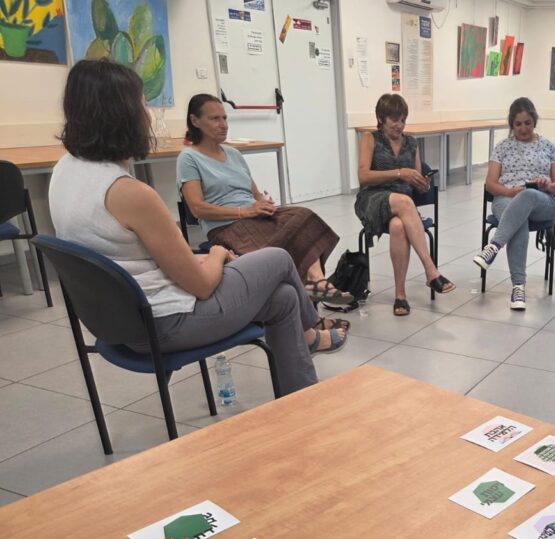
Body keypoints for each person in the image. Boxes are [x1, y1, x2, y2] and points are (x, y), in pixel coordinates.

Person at [50, 60, 347, 398]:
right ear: (123, 115)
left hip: (116, 320)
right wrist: (217, 254)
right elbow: (203, 286)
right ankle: (312, 334)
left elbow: (129, 254)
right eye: (143, 104)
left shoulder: (65, 170)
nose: (147, 113)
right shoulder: (130, 193)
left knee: (283, 298)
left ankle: (301, 399)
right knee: (277, 258)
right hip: (165, 323)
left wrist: (200, 258)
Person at [177, 94, 346, 305]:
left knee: (304, 216)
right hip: (226, 226)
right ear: (195, 121)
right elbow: (197, 208)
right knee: (283, 243)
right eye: (215, 119)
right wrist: (244, 212)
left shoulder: (234, 154)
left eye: (225, 118)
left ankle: (317, 281)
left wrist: (262, 203)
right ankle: (306, 289)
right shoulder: (189, 158)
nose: (223, 125)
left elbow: (254, 193)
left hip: (253, 216)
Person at [355, 93, 455, 316]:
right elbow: (363, 177)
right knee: (404, 201)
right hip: (373, 199)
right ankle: (431, 271)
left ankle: (400, 295)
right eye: (394, 120)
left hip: (403, 205)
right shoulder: (370, 139)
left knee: (399, 226)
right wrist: (400, 173)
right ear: (381, 118)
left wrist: (422, 184)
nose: (399, 125)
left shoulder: (411, 143)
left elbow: (417, 182)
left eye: (403, 120)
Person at [473, 97, 555, 311]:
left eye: (528, 123)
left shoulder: (548, 146)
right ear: (511, 124)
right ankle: (518, 288)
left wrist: (547, 185)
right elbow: (490, 184)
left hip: (542, 201)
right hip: (506, 199)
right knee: (518, 220)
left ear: (535, 121)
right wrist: (509, 192)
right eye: (518, 124)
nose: (523, 128)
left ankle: (493, 246)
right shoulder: (502, 147)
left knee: (528, 195)